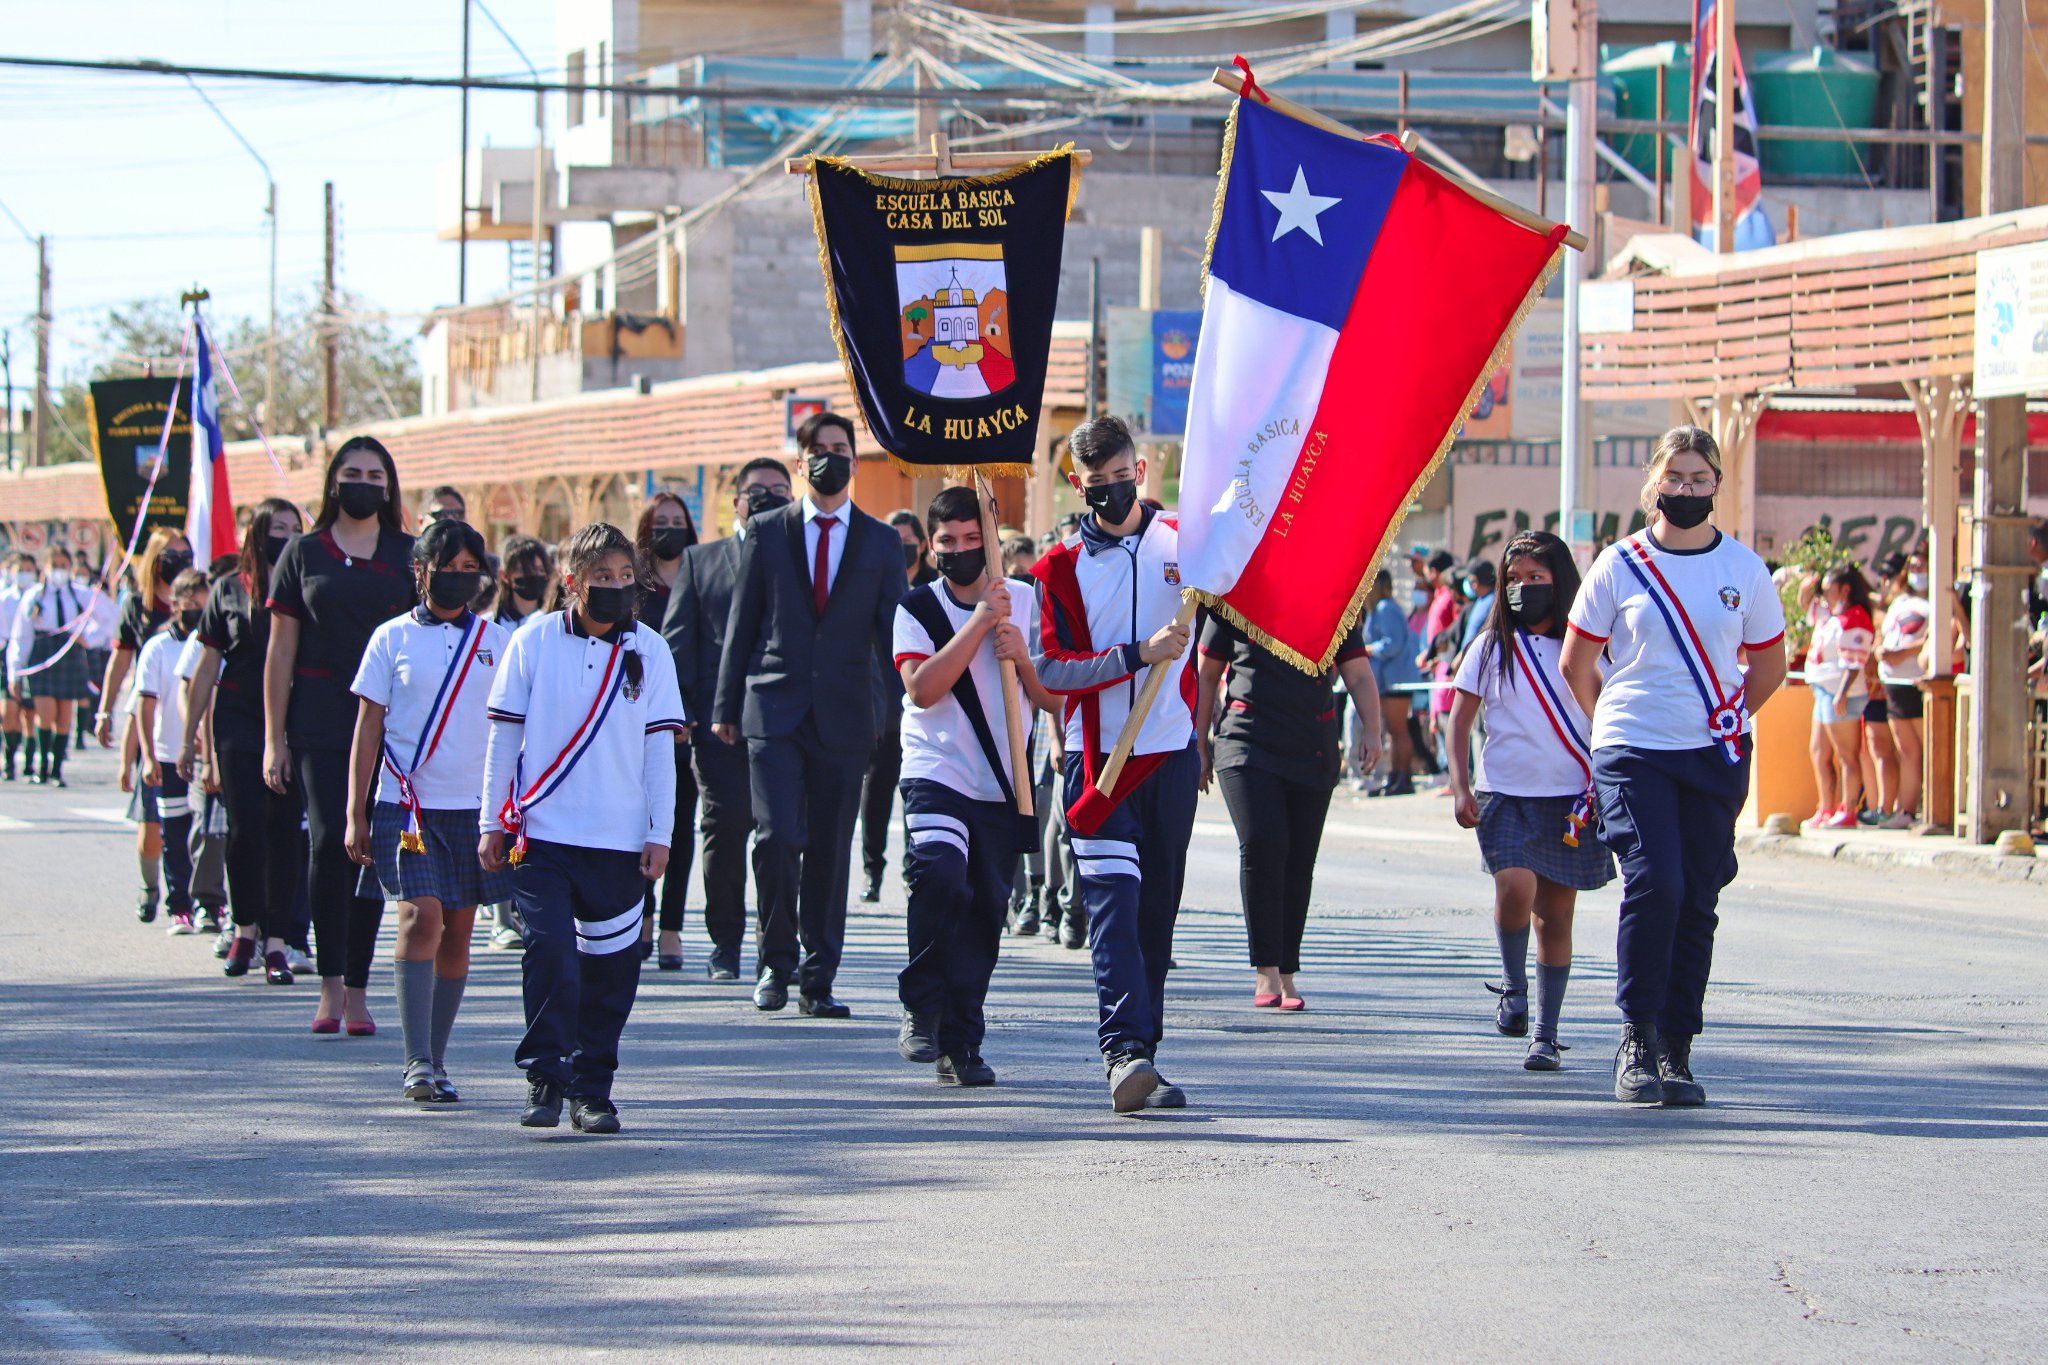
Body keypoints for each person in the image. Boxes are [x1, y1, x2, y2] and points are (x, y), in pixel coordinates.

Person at [1560, 425, 1787, 1107]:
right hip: (1633, 748)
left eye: (1698, 478)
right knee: (1655, 881)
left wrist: (1729, 714)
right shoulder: (1618, 565)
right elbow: (1577, 662)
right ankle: (1635, 1035)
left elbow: (1769, 665)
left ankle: (1676, 1047)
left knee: (1696, 894)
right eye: (1675, 477)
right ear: (1653, 482)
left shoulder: (1743, 568)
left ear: (1717, 483)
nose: (1686, 489)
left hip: (1711, 752)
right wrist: (1609, 732)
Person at [480, 521, 686, 1133]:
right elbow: (504, 736)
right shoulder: (532, 643)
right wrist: (491, 819)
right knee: (551, 954)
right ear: (571, 582)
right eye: (602, 578)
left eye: (626, 578)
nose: (616, 588)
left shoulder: (652, 649)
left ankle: (593, 1087)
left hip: (619, 840)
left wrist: (661, 832)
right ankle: (546, 1076)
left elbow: (660, 750)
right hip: (541, 835)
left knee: (610, 971)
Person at [1029, 415, 1198, 1113]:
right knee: (1114, 908)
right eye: (1096, 483)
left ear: (1143, 470)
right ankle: (1122, 1050)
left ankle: (1146, 1057)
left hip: (1170, 755)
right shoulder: (1058, 569)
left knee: (1156, 914)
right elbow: (1049, 668)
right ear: (1077, 484)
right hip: (1099, 764)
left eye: (1121, 477)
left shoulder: (1189, 547)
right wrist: (1135, 655)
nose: (1111, 491)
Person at [713, 412, 905, 1018]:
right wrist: (724, 704)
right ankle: (775, 961)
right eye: (818, 450)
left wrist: (902, 707)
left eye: (840, 448)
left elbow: (892, 633)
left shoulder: (879, 541)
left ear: (854, 458)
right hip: (772, 708)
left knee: (828, 846)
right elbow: (743, 624)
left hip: (847, 715)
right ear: (800, 463)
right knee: (776, 838)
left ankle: (818, 975)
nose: (830, 457)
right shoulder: (768, 532)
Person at [892, 486, 1056, 1085]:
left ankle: (960, 1040)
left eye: (971, 539)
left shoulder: (1029, 602)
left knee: (986, 909)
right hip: (936, 769)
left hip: (1004, 779)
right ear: (932, 550)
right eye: (947, 544)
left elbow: (1051, 700)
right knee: (940, 873)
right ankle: (921, 1004)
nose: (961, 552)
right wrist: (980, 623)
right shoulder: (917, 609)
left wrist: (1026, 658)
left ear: (988, 537)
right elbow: (922, 689)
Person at [346, 518, 511, 1103]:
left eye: (472, 570)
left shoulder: (497, 642)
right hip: (406, 807)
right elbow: (368, 728)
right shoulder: (390, 638)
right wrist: (354, 811)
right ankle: (415, 1061)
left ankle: (438, 1060)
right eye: (448, 568)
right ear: (420, 571)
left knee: (458, 934)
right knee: (421, 918)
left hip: (472, 811)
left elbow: (515, 729)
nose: (459, 579)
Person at [265, 436, 417, 1035]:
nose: (363, 482)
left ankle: (358, 988)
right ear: (333, 482)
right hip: (321, 720)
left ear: (389, 485)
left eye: (375, 474)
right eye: (352, 472)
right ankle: (329, 986)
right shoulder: (303, 552)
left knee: (373, 852)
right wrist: (275, 739)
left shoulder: (410, 553)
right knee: (331, 842)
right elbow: (280, 651)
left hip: (395, 724)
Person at [1447, 532, 1614, 1071]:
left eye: (1535, 579)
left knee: (1556, 915)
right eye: (1513, 580)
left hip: (1570, 798)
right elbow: (1460, 716)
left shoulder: (1589, 647)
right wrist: (1460, 782)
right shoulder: (1490, 646)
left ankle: (1545, 1032)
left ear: (1560, 581)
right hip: (1504, 794)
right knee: (1514, 887)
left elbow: (1607, 712)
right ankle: (1513, 986)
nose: (1523, 588)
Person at [1194, 608, 1381, 1014]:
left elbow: (1359, 674)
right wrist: (1200, 742)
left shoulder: (1334, 599)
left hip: (1311, 743)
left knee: (1298, 859)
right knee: (1264, 842)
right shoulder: (1237, 593)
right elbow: (1207, 672)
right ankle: (1267, 969)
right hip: (1245, 740)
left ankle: (1288, 970)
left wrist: (1373, 728)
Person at [662, 458, 790, 981]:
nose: (767, 497)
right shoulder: (701, 559)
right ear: (735, 502)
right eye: (756, 491)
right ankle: (726, 942)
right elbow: (679, 641)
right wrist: (688, 714)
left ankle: (777, 946)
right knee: (724, 827)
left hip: (785, 718)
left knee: (781, 834)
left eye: (780, 490)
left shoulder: (802, 557)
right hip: (719, 724)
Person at [181, 497, 307, 983]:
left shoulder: (305, 588)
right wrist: (191, 731)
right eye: (278, 526)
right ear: (257, 531)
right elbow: (207, 663)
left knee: (283, 831)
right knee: (245, 829)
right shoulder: (229, 589)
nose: (288, 535)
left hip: (294, 721)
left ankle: (278, 942)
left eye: (296, 527)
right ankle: (244, 929)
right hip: (237, 720)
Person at [631, 492, 701, 966]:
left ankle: (672, 927)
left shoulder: (701, 574)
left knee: (680, 828)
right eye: (662, 521)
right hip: (639, 724)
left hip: (690, 726)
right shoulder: (632, 582)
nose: (670, 529)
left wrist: (693, 714)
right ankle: (643, 918)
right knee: (641, 825)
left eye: (678, 521)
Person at [859, 508, 935, 904]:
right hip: (881, 705)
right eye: (896, 541)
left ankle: (913, 868)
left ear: (923, 545)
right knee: (877, 792)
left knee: (917, 793)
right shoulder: (871, 583)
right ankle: (873, 869)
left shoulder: (934, 588)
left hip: (923, 707)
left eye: (909, 541)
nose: (902, 548)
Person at [130, 569, 211, 934]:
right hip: (168, 753)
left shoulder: (211, 643)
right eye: (190, 603)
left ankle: (211, 903)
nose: (196, 609)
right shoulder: (157, 648)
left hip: (206, 754)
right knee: (174, 833)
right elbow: (145, 705)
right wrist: (147, 755)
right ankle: (179, 904)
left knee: (209, 834)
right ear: (175, 604)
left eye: (202, 603)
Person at [5, 544, 107, 788]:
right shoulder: (35, 596)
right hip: (42, 654)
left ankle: (57, 769)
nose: (59, 571)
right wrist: (15, 671)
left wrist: (89, 639)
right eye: (55, 566)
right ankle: (41, 766)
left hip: (69, 654)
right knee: (45, 713)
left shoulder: (80, 594)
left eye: (64, 566)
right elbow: (21, 635)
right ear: (46, 568)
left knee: (63, 717)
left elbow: (108, 617)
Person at [95, 526, 192, 750]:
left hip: (189, 709)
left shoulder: (202, 604)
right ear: (155, 560)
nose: (180, 562)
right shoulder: (137, 605)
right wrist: (105, 711)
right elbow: (120, 661)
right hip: (149, 710)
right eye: (172, 556)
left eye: (186, 556)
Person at [1804, 563, 1875, 831]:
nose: (1824, 596)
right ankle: (1826, 807)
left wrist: (1842, 694)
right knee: (1819, 751)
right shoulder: (1833, 615)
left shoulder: (1855, 617)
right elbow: (1808, 611)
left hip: (1840, 694)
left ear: (1844, 590)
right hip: (1823, 690)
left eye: (1827, 590)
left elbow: (1855, 662)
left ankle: (1848, 809)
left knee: (1847, 755)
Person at [1875, 548, 1931, 829]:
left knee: (1927, 749)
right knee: (1907, 751)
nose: (1918, 571)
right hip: (1893, 685)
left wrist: (1902, 654)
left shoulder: (1936, 602)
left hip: (1917, 683)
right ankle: (1905, 811)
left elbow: (1936, 639)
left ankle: (1929, 808)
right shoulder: (1900, 601)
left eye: (1924, 565)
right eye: (1915, 566)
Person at [1362, 569, 1421, 795]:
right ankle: (1395, 776)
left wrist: (1368, 650)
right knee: (1393, 731)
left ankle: (1403, 778)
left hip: (1396, 678)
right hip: (1389, 679)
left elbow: (1392, 644)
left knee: (1398, 730)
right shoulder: (1380, 609)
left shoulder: (1386, 609)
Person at [0, 552, 33, 780]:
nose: (24, 574)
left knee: (30, 714)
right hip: (6, 655)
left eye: (28, 569)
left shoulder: (38, 597)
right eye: (20, 569)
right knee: (9, 711)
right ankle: (9, 758)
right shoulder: (4, 600)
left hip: (34, 656)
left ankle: (30, 763)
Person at [491, 536, 554, 633]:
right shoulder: (490, 625)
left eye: (540, 570)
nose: (533, 576)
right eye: (524, 570)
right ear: (504, 576)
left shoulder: (554, 622)